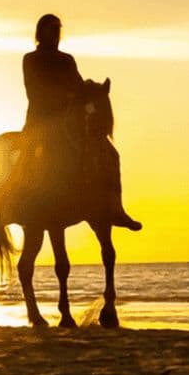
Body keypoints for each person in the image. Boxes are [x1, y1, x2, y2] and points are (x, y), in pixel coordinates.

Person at [22, 14, 141, 231]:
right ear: (41, 33)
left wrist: (91, 91)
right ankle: (24, 200)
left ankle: (117, 208)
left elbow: (78, 85)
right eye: (51, 29)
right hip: (41, 122)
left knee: (111, 154)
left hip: (68, 120)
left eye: (58, 29)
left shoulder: (67, 60)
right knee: (28, 155)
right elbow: (33, 92)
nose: (55, 34)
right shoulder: (31, 59)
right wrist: (63, 97)